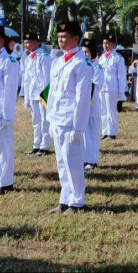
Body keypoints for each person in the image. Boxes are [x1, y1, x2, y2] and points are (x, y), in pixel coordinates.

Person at [46, 21, 92, 215]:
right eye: (59, 37)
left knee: (73, 161)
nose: (60, 40)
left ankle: (78, 201)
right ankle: (65, 199)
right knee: (61, 162)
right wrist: (49, 119)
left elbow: (82, 99)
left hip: (70, 120)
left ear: (76, 38)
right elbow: (53, 93)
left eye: (64, 37)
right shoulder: (57, 61)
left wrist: (78, 127)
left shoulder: (82, 64)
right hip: (57, 118)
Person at [0, 27, 19, 195]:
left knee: (4, 147)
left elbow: (9, 92)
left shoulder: (9, 62)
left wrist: (7, 116)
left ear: (1, 41)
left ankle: (6, 182)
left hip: (1, 111)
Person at [23, 32, 52, 156]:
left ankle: (44, 146)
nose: (25, 44)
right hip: (33, 92)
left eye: (28, 42)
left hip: (42, 92)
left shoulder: (44, 56)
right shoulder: (29, 58)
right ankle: (36, 145)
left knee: (45, 119)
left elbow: (47, 77)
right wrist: (26, 96)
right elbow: (27, 79)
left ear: (36, 43)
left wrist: (45, 95)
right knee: (36, 120)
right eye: (24, 42)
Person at [99, 34, 127, 140]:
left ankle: (112, 132)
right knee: (103, 110)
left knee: (111, 111)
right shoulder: (101, 57)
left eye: (108, 43)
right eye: (104, 43)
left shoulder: (118, 58)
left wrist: (121, 91)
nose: (105, 45)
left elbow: (121, 75)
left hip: (112, 87)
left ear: (113, 45)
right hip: (102, 87)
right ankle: (105, 132)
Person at [81, 39, 103, 170]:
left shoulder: (97, 67)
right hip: (83, 105)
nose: (85, 54)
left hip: (92, 104)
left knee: (92, 133)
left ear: (93, 53)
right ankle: (84, 158)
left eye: (88, 52)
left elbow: (95, 86)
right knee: (83, 133)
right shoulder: (82, 65)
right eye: (83, 52)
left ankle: (92, 160)